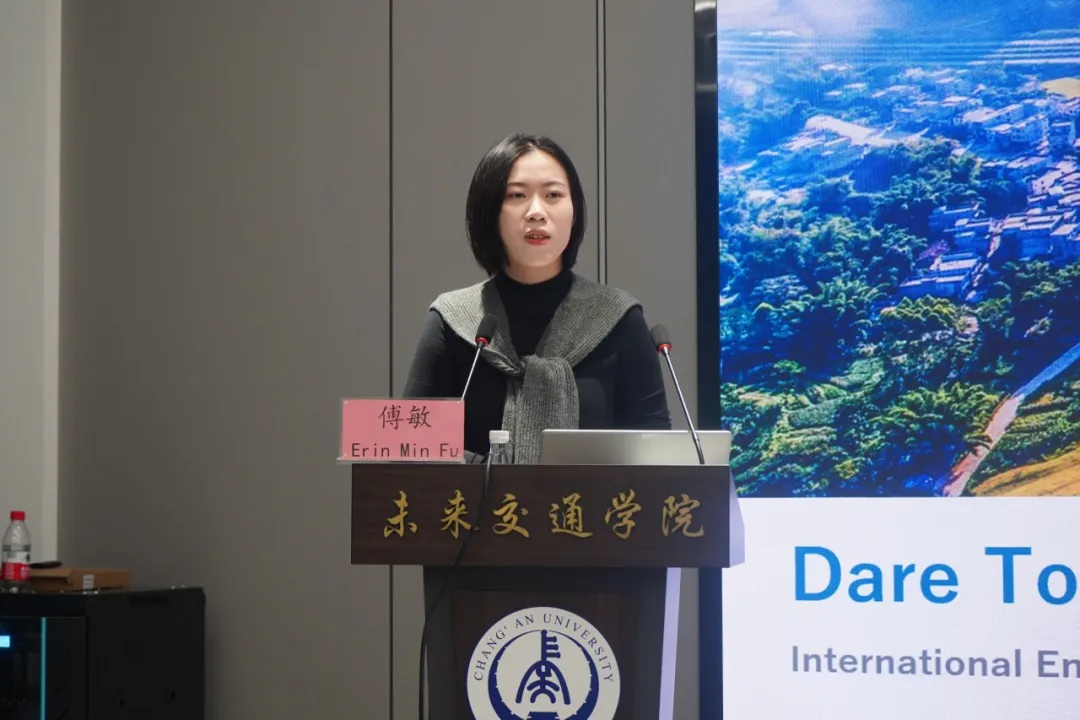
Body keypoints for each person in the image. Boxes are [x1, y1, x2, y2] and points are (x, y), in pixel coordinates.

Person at [402, 133, 671, 463]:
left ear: (574, 211)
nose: (536, 212)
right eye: (517, 195)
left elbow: (655, 455)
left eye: (553, 195)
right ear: (490, 211)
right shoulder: (455, 320)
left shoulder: (618, 319)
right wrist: (484, 472)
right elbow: (410, 446)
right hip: (474, 500)